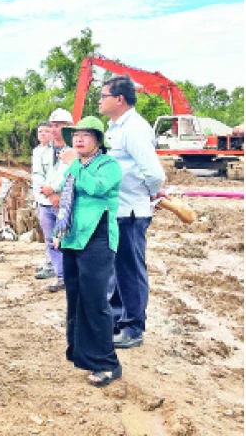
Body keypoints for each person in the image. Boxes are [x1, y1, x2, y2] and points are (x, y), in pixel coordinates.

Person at [52, 116, 123, 387]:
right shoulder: (76, 165)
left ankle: (108, 362)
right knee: (76, 299)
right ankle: (83, 355)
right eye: (76, 135)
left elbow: (96, 187)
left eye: (86, 135)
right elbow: (65, 199)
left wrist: (72, 163)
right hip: (72, 239)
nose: (79, 139)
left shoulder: (109, 165)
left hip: (98, 239)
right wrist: (59, 233)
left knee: (95, 302)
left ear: (98, 140)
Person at [98, 76, 166, 349]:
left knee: (130, 270)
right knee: (117, 269)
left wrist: (150, 193)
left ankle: (133, 327)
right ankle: (117, 320)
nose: (100, 101)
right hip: (117, 210)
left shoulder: (134, 129)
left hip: (131, 211)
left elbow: (154, 173)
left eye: (103, 96)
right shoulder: (115, 127)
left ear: (120, 99)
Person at [34, 108, 73, 292]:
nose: (54, 129)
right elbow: (37, 174)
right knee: (51, 240)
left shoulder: (74, 151)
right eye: (53, 125)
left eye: (59, 126)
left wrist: (56, 190)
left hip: (64, 202)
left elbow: (70, 173)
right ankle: (60, 276)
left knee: (67, 238)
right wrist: (48, 193)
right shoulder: (42, 151)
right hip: (45, 202)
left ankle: (72, 274)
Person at [31, 120, 56, 278]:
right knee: (48, 236)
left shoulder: (56, 151)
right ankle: (50, 263)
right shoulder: (36, 151)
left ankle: (55, 266)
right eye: (40, 131)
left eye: (46, 131)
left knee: (57, 235)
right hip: (41, 199)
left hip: (53, 198)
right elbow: (37, 174)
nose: (43, 134)